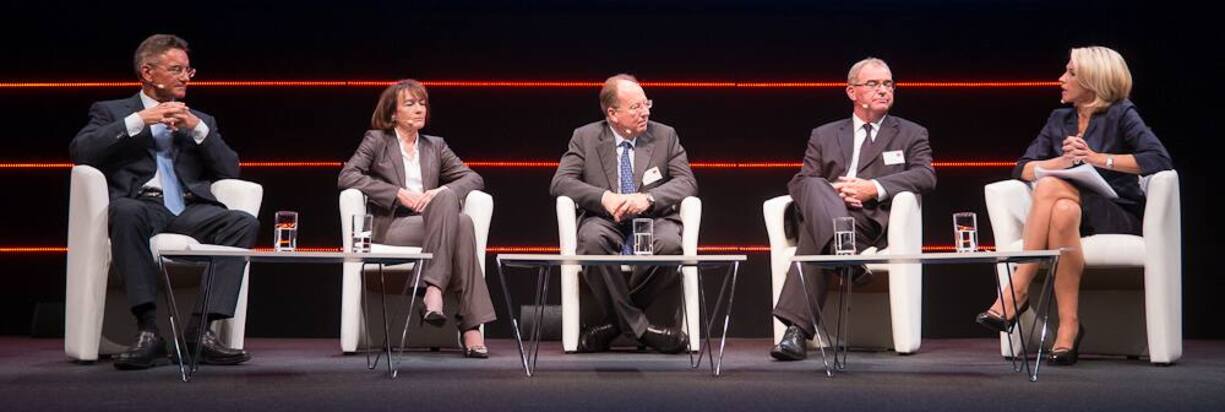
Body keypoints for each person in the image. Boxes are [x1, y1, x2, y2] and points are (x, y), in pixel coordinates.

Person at [69, 34, 257, 370]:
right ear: (148, 72)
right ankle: (148, 330)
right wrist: (141, 120)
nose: (186, 77)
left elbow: (230, 170)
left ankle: (200, 331)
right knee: (125, 211)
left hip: (187, 209)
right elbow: (82, 151)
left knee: (243, 222)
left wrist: (197, 129)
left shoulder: (200, 120)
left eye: (188, 70)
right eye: (176, 70)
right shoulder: (111, 111)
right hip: (142, 204)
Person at [975, 46, 1173, 365]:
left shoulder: (1121, 113)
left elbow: (1158, 159)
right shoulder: (1059, 119)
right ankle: (1069, 326)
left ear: (1093, 80)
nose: (1061, 79)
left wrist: (1096, 158)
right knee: (1062, 209)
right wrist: (1062, 162)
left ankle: (1018, 288)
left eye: (1071, 73)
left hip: (1114, 210)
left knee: (1050, 185)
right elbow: (1022, 167)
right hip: (1070, 212)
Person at [770, 58, 937, 361]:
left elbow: (926, 176)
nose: (883, 90)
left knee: (814, 233)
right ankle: (842, 252)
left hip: (866, 220)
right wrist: (835, 192)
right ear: (851, 92)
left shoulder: (911, 133)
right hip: (826, 210)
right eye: (873, 84)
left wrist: (873, 187)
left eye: (888, 84)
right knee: (811, 184)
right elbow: (803, 182)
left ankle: (796, 332)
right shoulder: (824, 134)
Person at [338, 79, 495, 358]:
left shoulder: (435, 145)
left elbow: (473, 178)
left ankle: (433, 290)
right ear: (393, 113)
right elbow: (347, 176)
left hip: (433, 224)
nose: (419, 109)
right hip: (393, 226)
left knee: (455, 212)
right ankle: (470, 328)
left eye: (422, 103)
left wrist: (438, 192)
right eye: (410, 104)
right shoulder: (377, 140)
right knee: (461, 222)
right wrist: (397, 193)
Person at [549, 74, 698, 354]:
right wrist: (603, 197)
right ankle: (643, 331)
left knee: (670, 244)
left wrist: (648, 199)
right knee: (591, 242)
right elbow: (560, 182)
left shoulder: (665, 135)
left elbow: (686, 182)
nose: (645, 112)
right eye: (635, 107)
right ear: (612, 114)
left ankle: (612, 327)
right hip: (605, 220)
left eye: (646, 103)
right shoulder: (585, 137)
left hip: (652, 219)